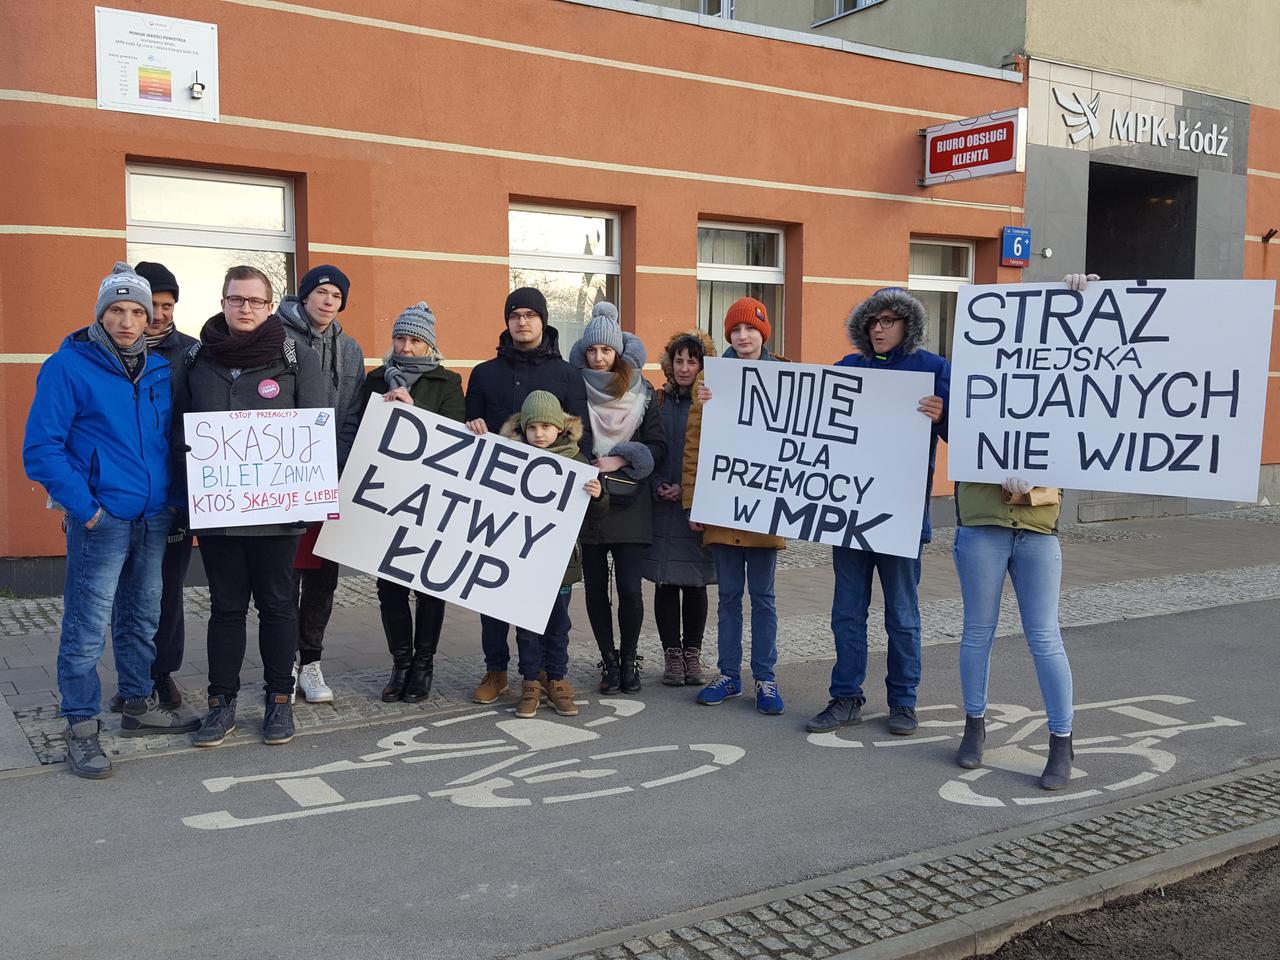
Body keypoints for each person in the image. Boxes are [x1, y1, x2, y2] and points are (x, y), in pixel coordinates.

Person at [22, 262, 199, 779]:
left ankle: (136, 705)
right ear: (100, 314)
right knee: (86, 624)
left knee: (143, 615)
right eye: (117, 310)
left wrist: (172, 500)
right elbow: (42, 449)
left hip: (152, 515)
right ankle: (80, 725)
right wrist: (87, 508)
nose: (127, 320)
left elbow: (168, 441)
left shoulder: (160, 370)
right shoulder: (68, 366)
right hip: (103, 518)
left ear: (149, 318)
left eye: (137, 311)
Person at [951, 273, 1091, 791]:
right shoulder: (969, 380)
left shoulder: (1059, 383)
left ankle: (1061, 739)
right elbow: (950, 428)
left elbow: (1088, 424)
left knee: (1044, 637)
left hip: (1037, 529)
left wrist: (1075, 298)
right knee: (977, 633)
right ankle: (974, 726)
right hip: (983, 524)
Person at [180, 265, 326, 748]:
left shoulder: (295, 356)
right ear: (222, 301)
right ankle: (221, 704)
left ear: (270, 306)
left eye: (255, 301)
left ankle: (279, 701)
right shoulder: (197, 358)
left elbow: (316, 431)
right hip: (220, 512)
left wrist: (309, 498)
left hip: (278, 514)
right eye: (236, 299)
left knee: (279, 607)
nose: (245, 308)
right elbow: (177, 432)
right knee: (225, 609)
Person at [806, 287, 949, 738]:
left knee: (902, 615)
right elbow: (808, 419)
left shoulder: (933, 369)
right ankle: (846, 697)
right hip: (849, 515)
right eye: (872, 322)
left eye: (889, 320)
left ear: (908, 325)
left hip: (902, 518)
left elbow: (970, 437)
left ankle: (903, 702)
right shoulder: (849, 369)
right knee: (847, 612)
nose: (879, 328)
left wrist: (944, 416)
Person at [463, 287, 591, 705]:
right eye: (515, 314)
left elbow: (579, 441)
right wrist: (473, 428)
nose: (522, 321)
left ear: (543, 320)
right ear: (506, 321)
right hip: (496, 505)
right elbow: (466, 432)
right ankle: (496, 669)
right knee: (492, 591)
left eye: (530, 315)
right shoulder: (484, 374)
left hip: (547, 514)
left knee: (550, 602)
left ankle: (542, 674)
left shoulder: (568, 376)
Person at [683, 297, 788, 716]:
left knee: (763, 598)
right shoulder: (711, 381)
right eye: (736, 330)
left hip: (764, 509)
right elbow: (694, 445)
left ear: (763, 333)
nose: (743, 337)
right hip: (724, 506)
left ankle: (765, 677)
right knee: (728, 597)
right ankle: (729, 674)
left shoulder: (787, 376)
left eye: (750, 329)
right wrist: (695, 502)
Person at [99, 260, 196, 713]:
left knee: (167, 588)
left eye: (166, 305)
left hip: (175, 494)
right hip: (120, 498)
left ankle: (164, 673)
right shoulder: (106, 352)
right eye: (150, 304)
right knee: (126, 595)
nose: (158, 314)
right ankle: (132, 678)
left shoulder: (192, 353)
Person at [360, 301, 464, 703]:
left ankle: (424, 665)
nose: (405, 347)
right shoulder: (376, 380)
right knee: (389, 587)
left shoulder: (447, 382)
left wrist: (413, 412)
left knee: (429, 587)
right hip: (386, 497)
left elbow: (452, 438)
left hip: (430, 500)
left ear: (429, 346)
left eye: (415, 340)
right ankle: (400, 663)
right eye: (400, 339)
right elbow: (363, 429)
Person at [279, 264, 366, 704]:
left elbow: (353, 414)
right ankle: (282, 666)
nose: (328, 301)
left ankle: (310, 662)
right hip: (284, 480)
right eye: (321, 292)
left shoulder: (350, 349)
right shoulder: (277, 337)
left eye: (336, 294)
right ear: (305, 295)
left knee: (321, 578)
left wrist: (339, 461)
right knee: (282, 578)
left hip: (329, 480)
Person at [569, 304, 666, 694]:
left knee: (628, 588)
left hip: (632, 499)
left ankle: (629, 660)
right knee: (595, 590)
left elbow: (657, 445)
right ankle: (608, 661)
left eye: (605, 351)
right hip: (590, 500)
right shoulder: (574, 389)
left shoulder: (643, 393)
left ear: (618, 353)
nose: (598, 357)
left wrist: (625, 455)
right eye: (592, 351)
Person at [498, 391, 607, 719]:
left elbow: (595, 515)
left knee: (558, 624)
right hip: (524, 563)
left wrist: (598, 495)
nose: (539, 434)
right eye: (533, 428)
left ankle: (557, 679)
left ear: (560, 428)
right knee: (528, 626)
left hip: (561, 564)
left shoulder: (576, 461)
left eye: (547, 426)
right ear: (524, 429)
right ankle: (531, 682)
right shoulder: (513, 457)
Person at [642, 330, 716, 687]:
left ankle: (692, 654)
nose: (684, 367)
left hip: (695, 508)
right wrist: (658, 485)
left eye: (692, 360)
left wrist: (690, 491)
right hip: (662, 505)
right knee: (665, 582)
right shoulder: (656, 402)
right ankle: (672, 654)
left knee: (695, 582)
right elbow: (649, 448)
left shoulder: (712, 401)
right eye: (679, 360)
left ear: (703, 364)